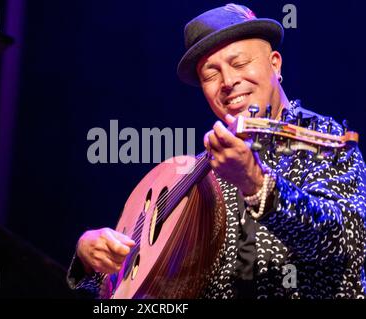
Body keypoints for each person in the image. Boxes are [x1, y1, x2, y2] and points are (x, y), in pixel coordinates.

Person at [67, 3, 366, 298]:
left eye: (239, 64)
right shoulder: (202, 175)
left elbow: (346, 244)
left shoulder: (324, 138)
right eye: (211, 75)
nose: (228, 82)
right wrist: (91, 260)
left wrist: (259, 186)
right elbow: (148, 284)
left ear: (275, 63)